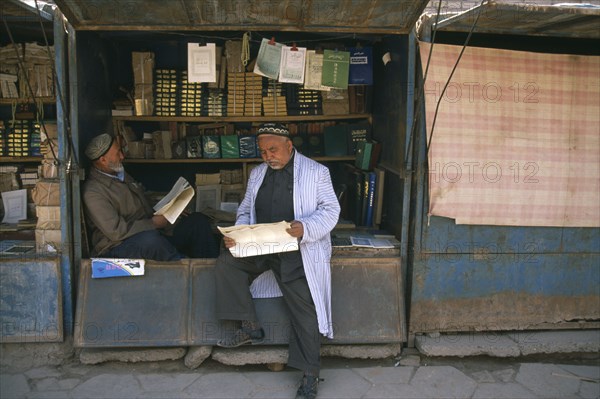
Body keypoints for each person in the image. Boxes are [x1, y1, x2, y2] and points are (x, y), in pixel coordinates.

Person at [214, 123, 341, 399]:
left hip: (296, 251)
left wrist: (305, 228)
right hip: (261, 246)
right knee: (227, 263)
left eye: (273, 149)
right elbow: (246, 209)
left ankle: (309, 376)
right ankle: (250, 327)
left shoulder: (317, 172)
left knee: (305, 312)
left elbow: (331, 211)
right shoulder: (258, 173)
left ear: (289, 146)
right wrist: (238, 235)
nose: (267, 156)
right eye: (262, 152)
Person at [82, 133, 218, 261]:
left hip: (151, 231)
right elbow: (116, 232)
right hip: (118, 246)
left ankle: (208, 269)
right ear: (103, 160)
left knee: (197, 221)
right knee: (151, 241)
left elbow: (144, 202)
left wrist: (171, 210)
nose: (122, 156)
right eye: (118, 153)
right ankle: (186, 269)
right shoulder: (93, 192)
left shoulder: (120, 174)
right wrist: (153, 223)